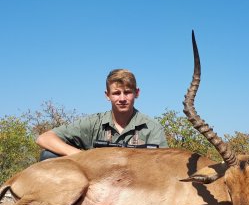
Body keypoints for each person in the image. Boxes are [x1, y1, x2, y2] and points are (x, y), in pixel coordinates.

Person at [36, 69, 168, 161]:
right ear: (107, 95)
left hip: (137, 186)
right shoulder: (94, 122)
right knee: (48, 155)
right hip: (97, 185)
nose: (122, 98)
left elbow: (163, 165)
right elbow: (44, 138)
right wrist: (83, 156)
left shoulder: (152, 128)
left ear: (137, 93)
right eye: (116, 93)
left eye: (127, 92)